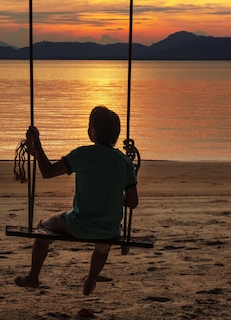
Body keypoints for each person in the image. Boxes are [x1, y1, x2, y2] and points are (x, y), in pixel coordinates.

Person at [15, 105, 139, 295]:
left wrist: (37, 146)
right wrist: (111, 194)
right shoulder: (125, 162)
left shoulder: (83, 155)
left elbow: (47, 172)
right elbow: (132, 202)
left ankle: (33, 277)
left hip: (79, 226)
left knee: (42, 229)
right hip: (109, 229)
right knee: (103, 244)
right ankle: (91, 279)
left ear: (93, 131)